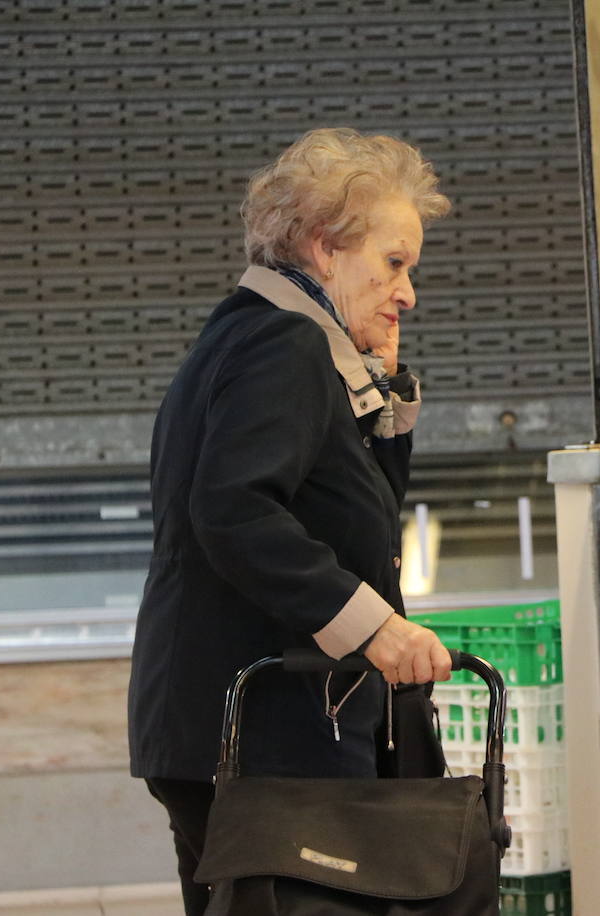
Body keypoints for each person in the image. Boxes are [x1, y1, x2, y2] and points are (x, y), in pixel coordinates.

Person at [127, 127, 454, 915]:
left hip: (231, 724)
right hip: (263, 728)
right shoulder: (284, 343)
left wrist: (382, 390)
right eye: (395, 263)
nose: (408, 291)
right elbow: (235, 511)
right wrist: (375, 629)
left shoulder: (256, 333)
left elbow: (357, 516)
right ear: (324, 248)